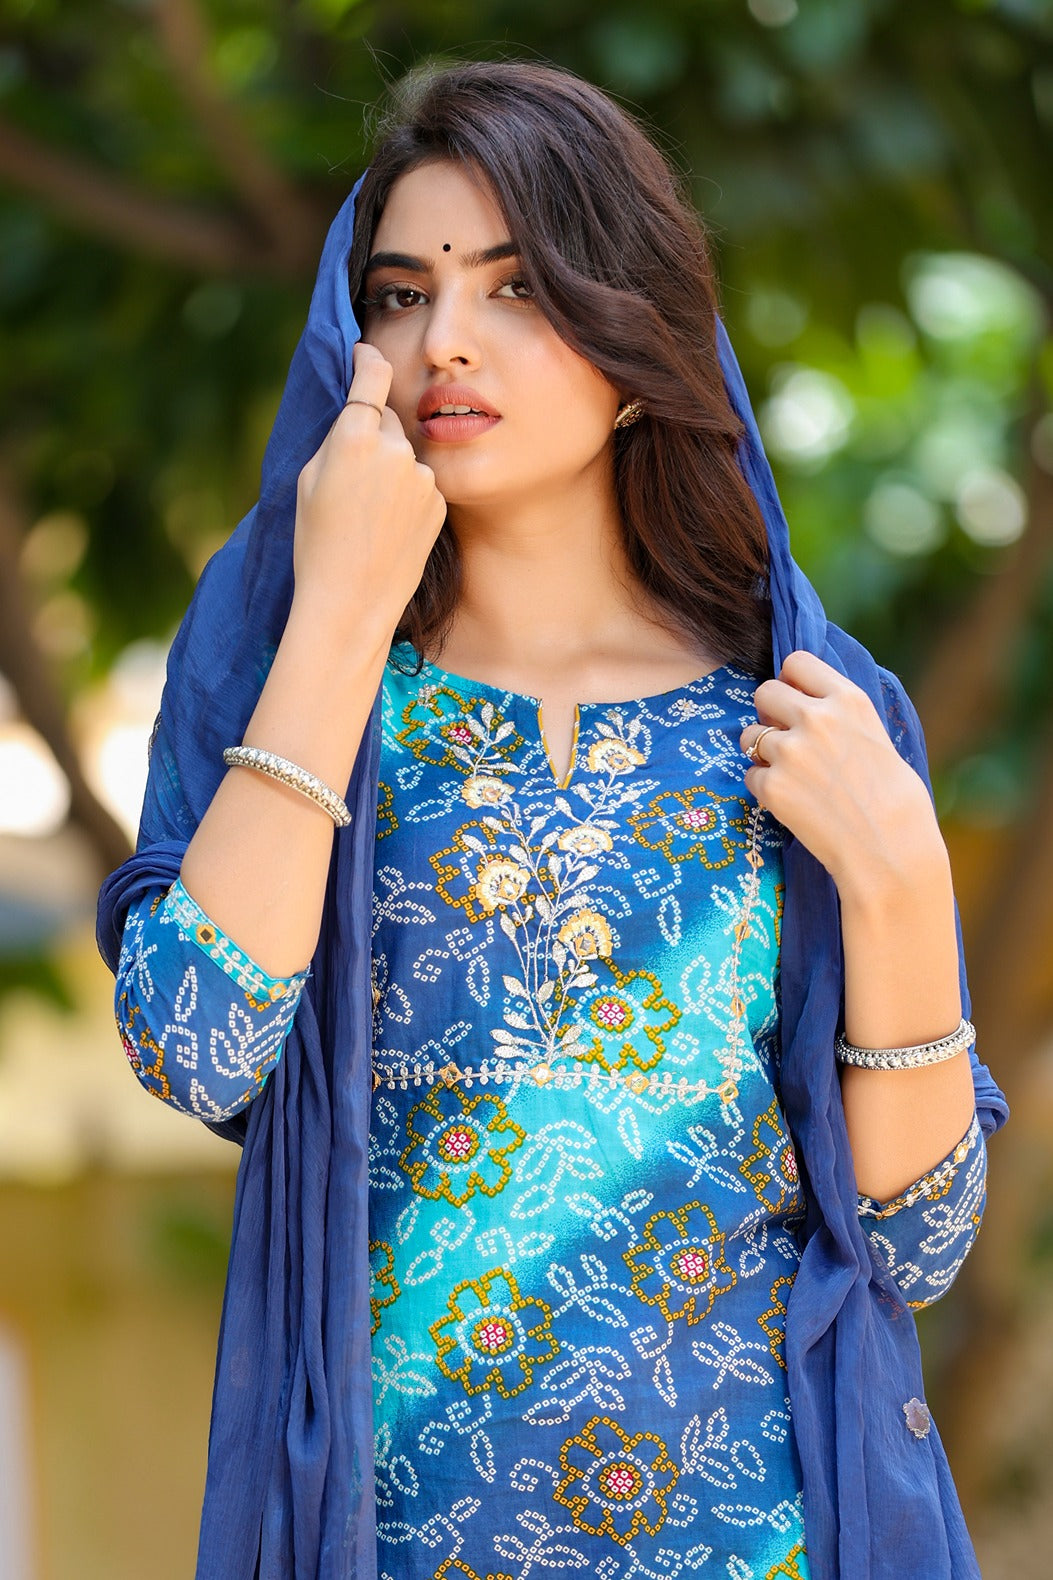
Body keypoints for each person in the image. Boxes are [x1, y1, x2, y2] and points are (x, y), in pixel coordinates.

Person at [96, 57, 1007, 1580]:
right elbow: (193, 1043)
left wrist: (902, 883)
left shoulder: (805, 714)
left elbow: (912, 1246)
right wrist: (340, 614)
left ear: (636, 337)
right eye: (399, 296)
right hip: (390, 1541)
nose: (442, 340)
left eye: (514, 288)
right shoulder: (291, 672)